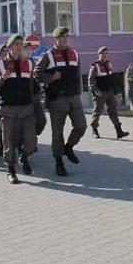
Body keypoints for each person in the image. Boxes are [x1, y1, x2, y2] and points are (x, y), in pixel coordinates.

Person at [32, 26, 86, 177]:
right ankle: (59, 163)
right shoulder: (48, 55)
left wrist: (79, 92)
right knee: (57, 133)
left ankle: (68, 147)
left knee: (81, 126)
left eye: (66, 36)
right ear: (55, 39)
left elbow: (78, 74)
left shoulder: (74, 53)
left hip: (74, 97)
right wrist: (51, 78)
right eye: (61, 37)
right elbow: (36, 73)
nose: (64, 39)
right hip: (57, 99)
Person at [0, 34, 39, 183]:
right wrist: (1, 78)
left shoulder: (29, 62)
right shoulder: (1, 63)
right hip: (7, 108)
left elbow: (34, 83)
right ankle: (10, 169)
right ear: (9, 47)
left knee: (31, 141)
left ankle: (23, 155)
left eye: (21, 44)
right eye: (16, 44)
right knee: (8, 141)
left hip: (26, 107)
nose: (19, 46)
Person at [88, 46, 129, 139]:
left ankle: (119, 131)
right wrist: (96, 91)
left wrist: (115, 92)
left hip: (109, 92)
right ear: (99, 54)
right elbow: (90, 81)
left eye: (106, 53)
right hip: (100, 93)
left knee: (113, 111)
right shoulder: (95, 65)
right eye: (103, 53)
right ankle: (94, 130)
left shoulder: (109, 64)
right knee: (97, 112)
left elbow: (111, 79)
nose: (105, 55)